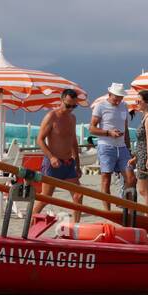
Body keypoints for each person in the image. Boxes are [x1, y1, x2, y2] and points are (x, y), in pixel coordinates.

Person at [35, 88, 84, 221]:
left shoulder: (72, 118)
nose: (70, 109)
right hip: (53, 164)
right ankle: (28, 225)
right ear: (61, 100)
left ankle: (75, 226)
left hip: (68, 164)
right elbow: (39, 140)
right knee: (45, 198)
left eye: (74, 106)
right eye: (68, 105)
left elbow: (73, 141)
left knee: (78, 196)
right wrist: (51, 157)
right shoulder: (52, 116)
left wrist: (78, 164)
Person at [90, 82, 132, 196]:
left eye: (120, 97)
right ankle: (107, 211)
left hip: (122, 147)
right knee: (106, 179)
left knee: (131, 178)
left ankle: (126, 206)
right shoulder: (100, 106)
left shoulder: (124, 106)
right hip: (106, 145)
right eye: (116, 97)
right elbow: (91, 129)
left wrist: (128, 148)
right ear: (109, 94)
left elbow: (125, 128)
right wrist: (109, 133)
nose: (118, 100)